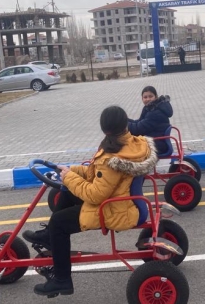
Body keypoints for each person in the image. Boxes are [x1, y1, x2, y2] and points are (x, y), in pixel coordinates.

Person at [22, 105, 158, 297]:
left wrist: (69, 177)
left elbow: (96, 194)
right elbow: (98, 175)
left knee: (59, 223)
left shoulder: (112, 155)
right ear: (124, 124)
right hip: (121, 200)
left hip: (115, 209)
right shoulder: (132, 143)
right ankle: (48, 236)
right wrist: (71, 171)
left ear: (106, 129)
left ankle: (62, 280)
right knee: (68, 192)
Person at [128, 86, 173, 155]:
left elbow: (138, 129)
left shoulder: (156, 112)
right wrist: (124, 119)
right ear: (142, 99)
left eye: (150, 96)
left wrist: (122, 123)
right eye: (145, 97)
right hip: (153, 140)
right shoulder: (149, 108)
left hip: (158, 143)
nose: (148, 99)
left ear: (156, 97)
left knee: (128, 148)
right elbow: (140, 122)